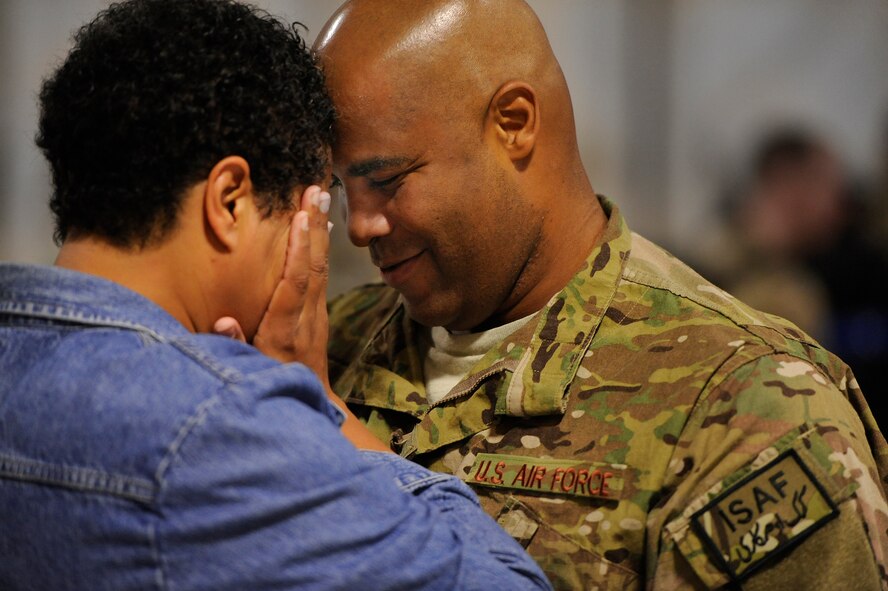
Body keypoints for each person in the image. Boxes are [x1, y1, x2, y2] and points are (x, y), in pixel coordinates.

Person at [316, 1, 888, 589]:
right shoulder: (322, 348)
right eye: (339, 187)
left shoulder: (747, 405)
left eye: (385, 181)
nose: (358, 227)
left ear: (513, 123)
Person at [0, 1, 553, 590]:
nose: (351, 233)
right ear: (230, 200)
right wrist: (315, 405)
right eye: (310, 210)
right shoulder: (221, 426)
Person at [709, 128, 888, 430]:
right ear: (788, 187)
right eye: (826, 184)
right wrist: (760, 256)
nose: (840, 203)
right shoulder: (720, 271)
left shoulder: (861, 267)